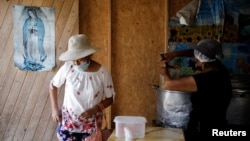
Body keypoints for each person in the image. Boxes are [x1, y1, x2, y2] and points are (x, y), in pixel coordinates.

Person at [160, 39, 232, 140]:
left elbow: (169, 85)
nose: (196, 62)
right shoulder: (221, 70)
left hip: (202, 130)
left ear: (202, 62)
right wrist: (174, 54)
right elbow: (195, 52)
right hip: (220, 124)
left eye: (196, 60)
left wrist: (164, 72)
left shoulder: (205, 80)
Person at [49, 34, 115, 141]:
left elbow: (110, 99)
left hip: (91, 126)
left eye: (79, 59)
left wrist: (95, 109)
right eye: (73, 59)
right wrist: (54, 109)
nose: (75, 63)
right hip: (68, 124)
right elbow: (53, 86)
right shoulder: (68, 67)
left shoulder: (103, 73)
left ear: (89, 55)